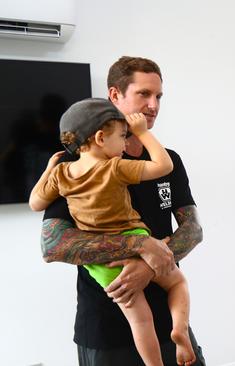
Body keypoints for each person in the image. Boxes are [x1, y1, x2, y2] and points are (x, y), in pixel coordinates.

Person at [39, 56, 205, 366]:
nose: (153, 104)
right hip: (105, 327)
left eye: (159, 96)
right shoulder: (72, 167)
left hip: (168, 321)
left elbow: (193, 230)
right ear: (115, 95)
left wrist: (150, 267)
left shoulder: (169, 161)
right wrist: (140, 245)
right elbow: (53, 245)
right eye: (144, 94)